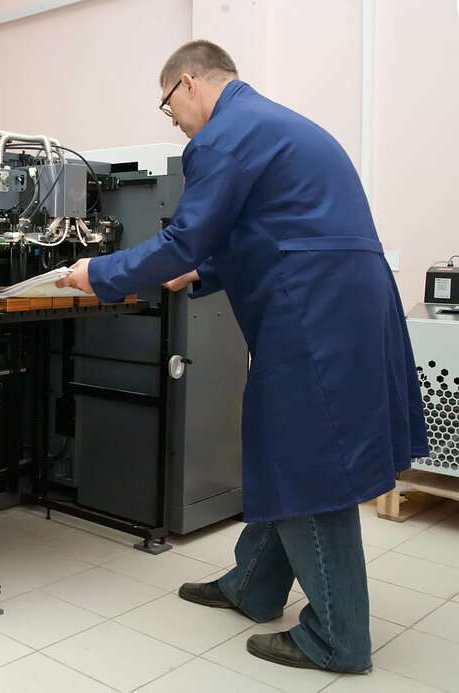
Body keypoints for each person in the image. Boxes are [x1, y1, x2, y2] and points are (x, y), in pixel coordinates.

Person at [56, 40, 428, 674]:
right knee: (290, 447)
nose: (173, 121)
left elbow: (184, 237)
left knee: (307, 459)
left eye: (168, 105)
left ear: (189, 83)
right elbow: (273, 229)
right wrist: (200, 273)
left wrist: (100, 273)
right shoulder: (273, 123)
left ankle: (338, 638)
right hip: (345, 299)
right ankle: (253, 586)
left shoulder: (222, 138)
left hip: (314, 309)